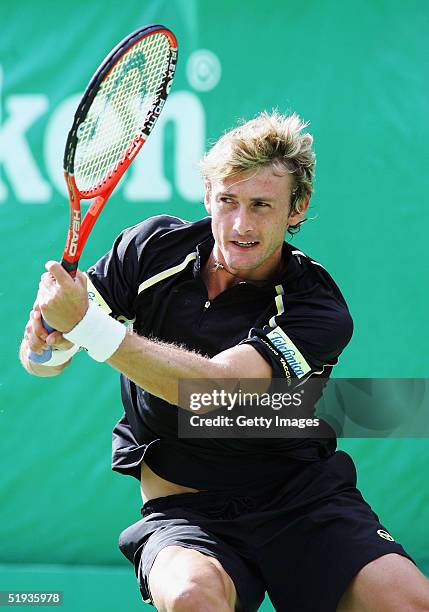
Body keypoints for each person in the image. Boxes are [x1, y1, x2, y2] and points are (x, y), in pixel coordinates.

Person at [20, 111, 429, 612]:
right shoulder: (152, 251)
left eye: (262, 205)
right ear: (208, 198)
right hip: (185, 511)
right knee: (193, 596)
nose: (241, 224)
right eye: (228, 201)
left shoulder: (315, 306)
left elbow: (218, 393)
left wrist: (86, 326)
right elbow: (41, 360)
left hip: (304, 502)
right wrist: (50, 337)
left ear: (296, 209)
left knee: (407, 602)